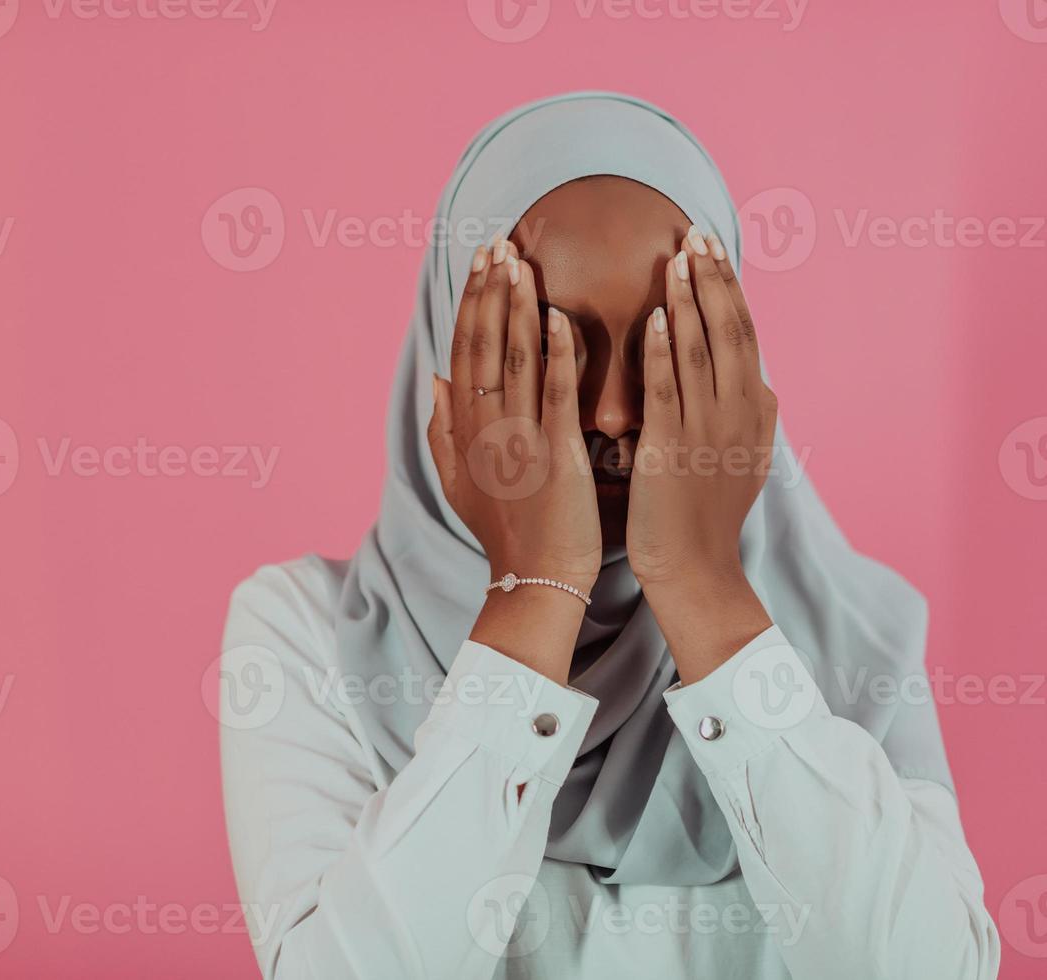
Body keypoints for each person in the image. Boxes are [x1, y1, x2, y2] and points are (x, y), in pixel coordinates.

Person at [218, 91, 999, 979]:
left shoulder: (852, 635)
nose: (617, 410)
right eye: (553, 348)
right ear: (452, 355)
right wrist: (537, 585)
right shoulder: (302, 637)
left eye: (669, 344)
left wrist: (704, 588)